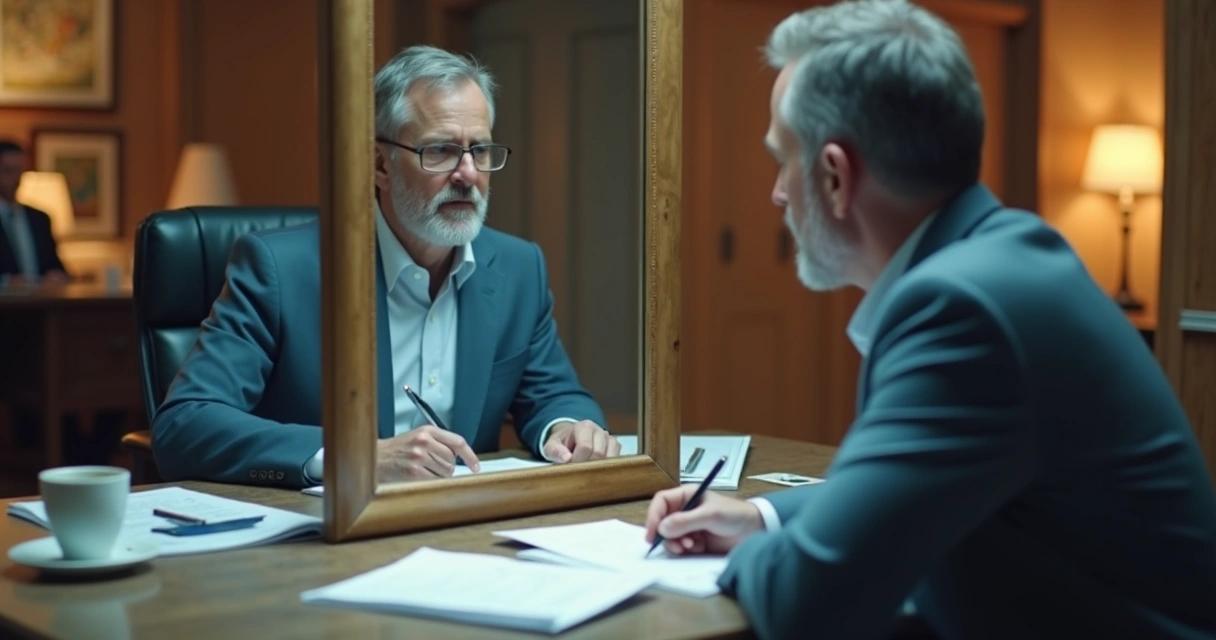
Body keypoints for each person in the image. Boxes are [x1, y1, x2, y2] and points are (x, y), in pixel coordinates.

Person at [643, 1, 1216, 638]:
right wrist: (764, 519)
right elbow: (901, 496)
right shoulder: (1006, 256)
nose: (778, 192)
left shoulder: (962, 310)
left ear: (835, 177)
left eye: (784, 157)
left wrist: (755, 557)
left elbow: (809, 601)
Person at [152, 45, 620, 489]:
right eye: (439, 150)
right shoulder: (279, 269)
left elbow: (555, 395)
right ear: (380, 164)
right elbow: (185, 424)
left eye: (479, 150)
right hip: (329, 536)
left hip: (469, 531)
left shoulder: (519, 268)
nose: (468, 174)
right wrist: (355, 458)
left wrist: (567, 428)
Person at [0, 140, 69, 288]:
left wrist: (55, 275)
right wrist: (5, 282)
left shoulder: (39, 219)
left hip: (40, 304)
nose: (16, 178)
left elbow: (56, 266)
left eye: (20, 170)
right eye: (8, 170)